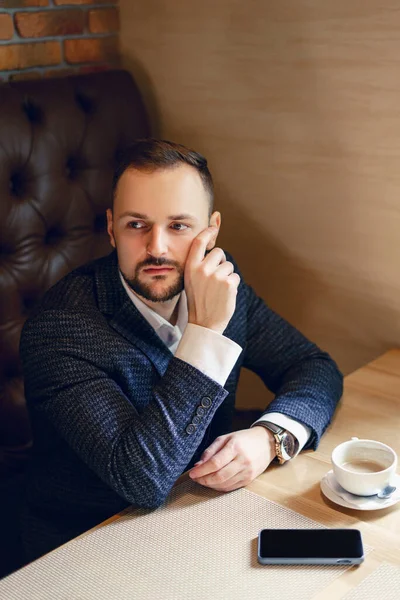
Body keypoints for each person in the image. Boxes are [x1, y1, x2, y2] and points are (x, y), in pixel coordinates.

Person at [19, 139, 343, 562]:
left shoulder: (223, 287)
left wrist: (272, 438)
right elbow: (141, 479)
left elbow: (312, 366)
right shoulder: (60, 328)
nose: (157, 248)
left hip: (199, 516)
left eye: (179, 226)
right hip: (81, 545)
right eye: (137, 225)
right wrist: (206, 333)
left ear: (212, 229)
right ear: (111, 227)